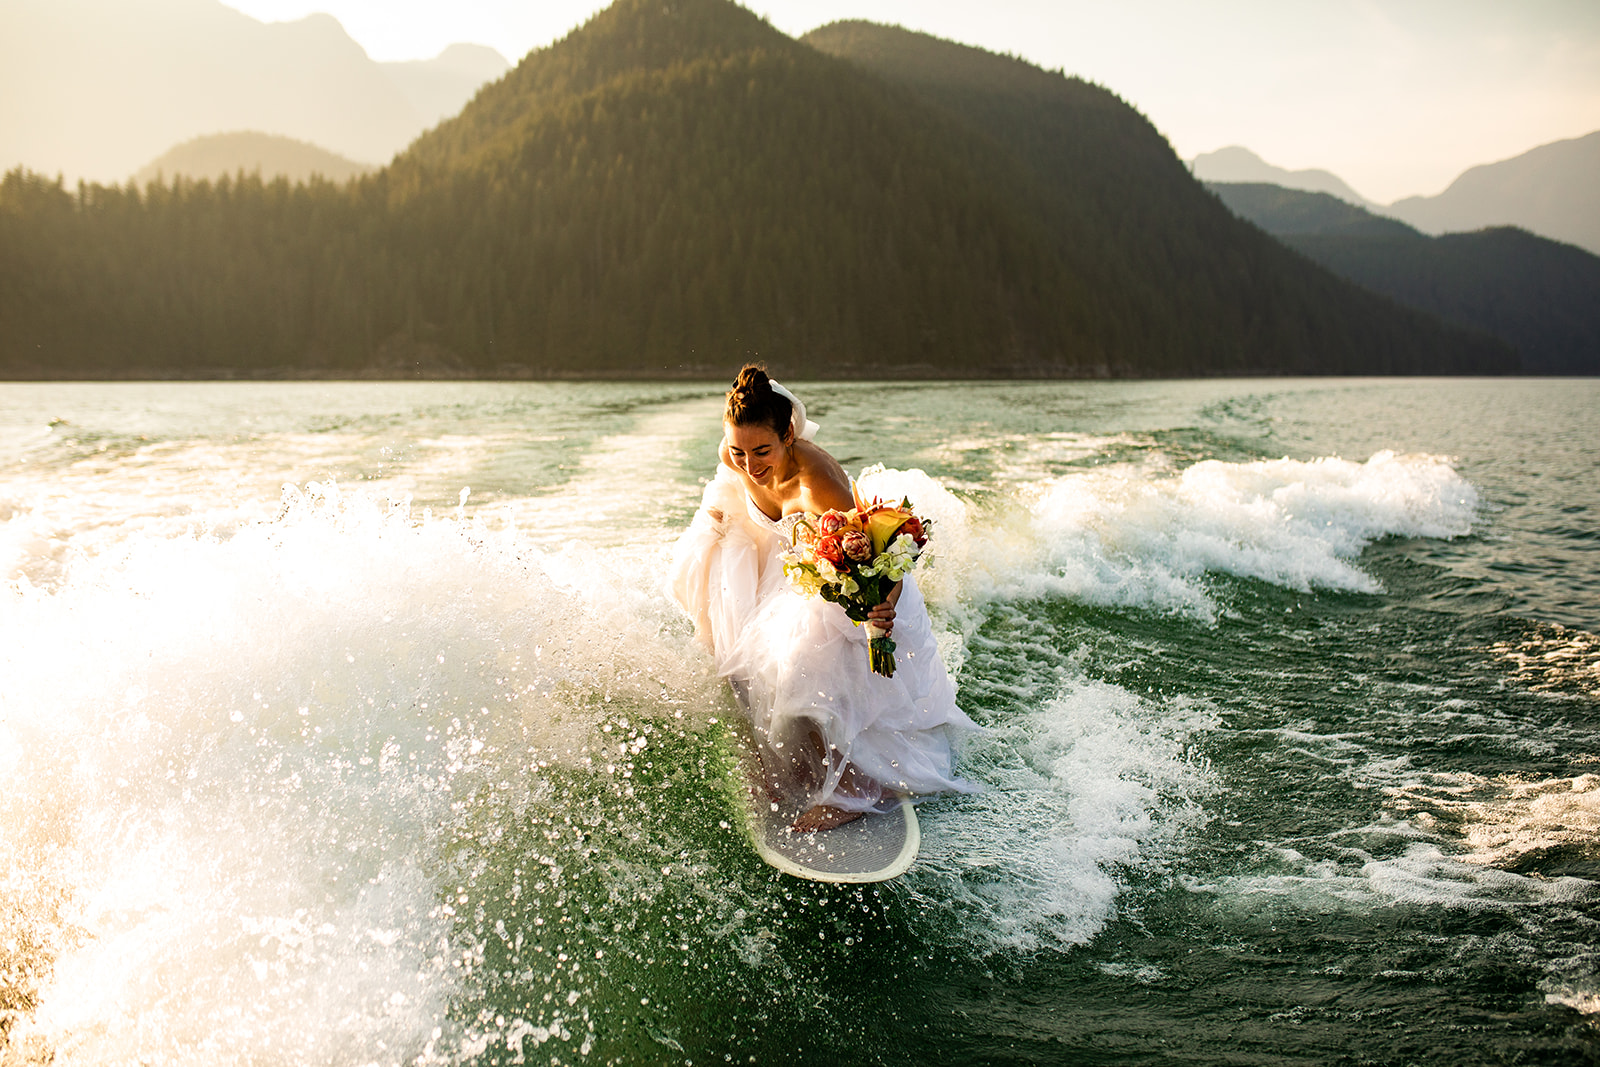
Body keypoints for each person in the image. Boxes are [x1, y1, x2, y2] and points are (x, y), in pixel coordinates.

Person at [671, 365, 979, 832]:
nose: (750, 465)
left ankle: (852, 788)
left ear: (788, 434)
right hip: (781, 560)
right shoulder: (736, 458)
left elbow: (878, 554)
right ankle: (780, 767)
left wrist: (885, 606)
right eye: (738, 450)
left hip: (840, 579)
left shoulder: (819, 482)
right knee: (733, 652)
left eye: (762, 451)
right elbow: (734, 480)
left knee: (799, 659)